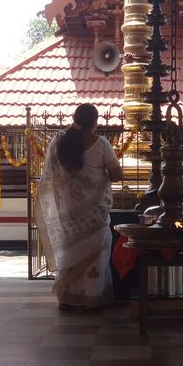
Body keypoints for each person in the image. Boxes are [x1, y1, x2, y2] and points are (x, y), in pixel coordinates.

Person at [36, 103, 123, 310]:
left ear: (75, 119)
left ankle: (67, 297)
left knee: (70, 250)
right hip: (95, 213)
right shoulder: (101, 143)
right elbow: (117, 176)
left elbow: (51, 175)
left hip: (66, 209)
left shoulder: (58, 141)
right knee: (96, 251)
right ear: (95, 122)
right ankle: (91, 298)